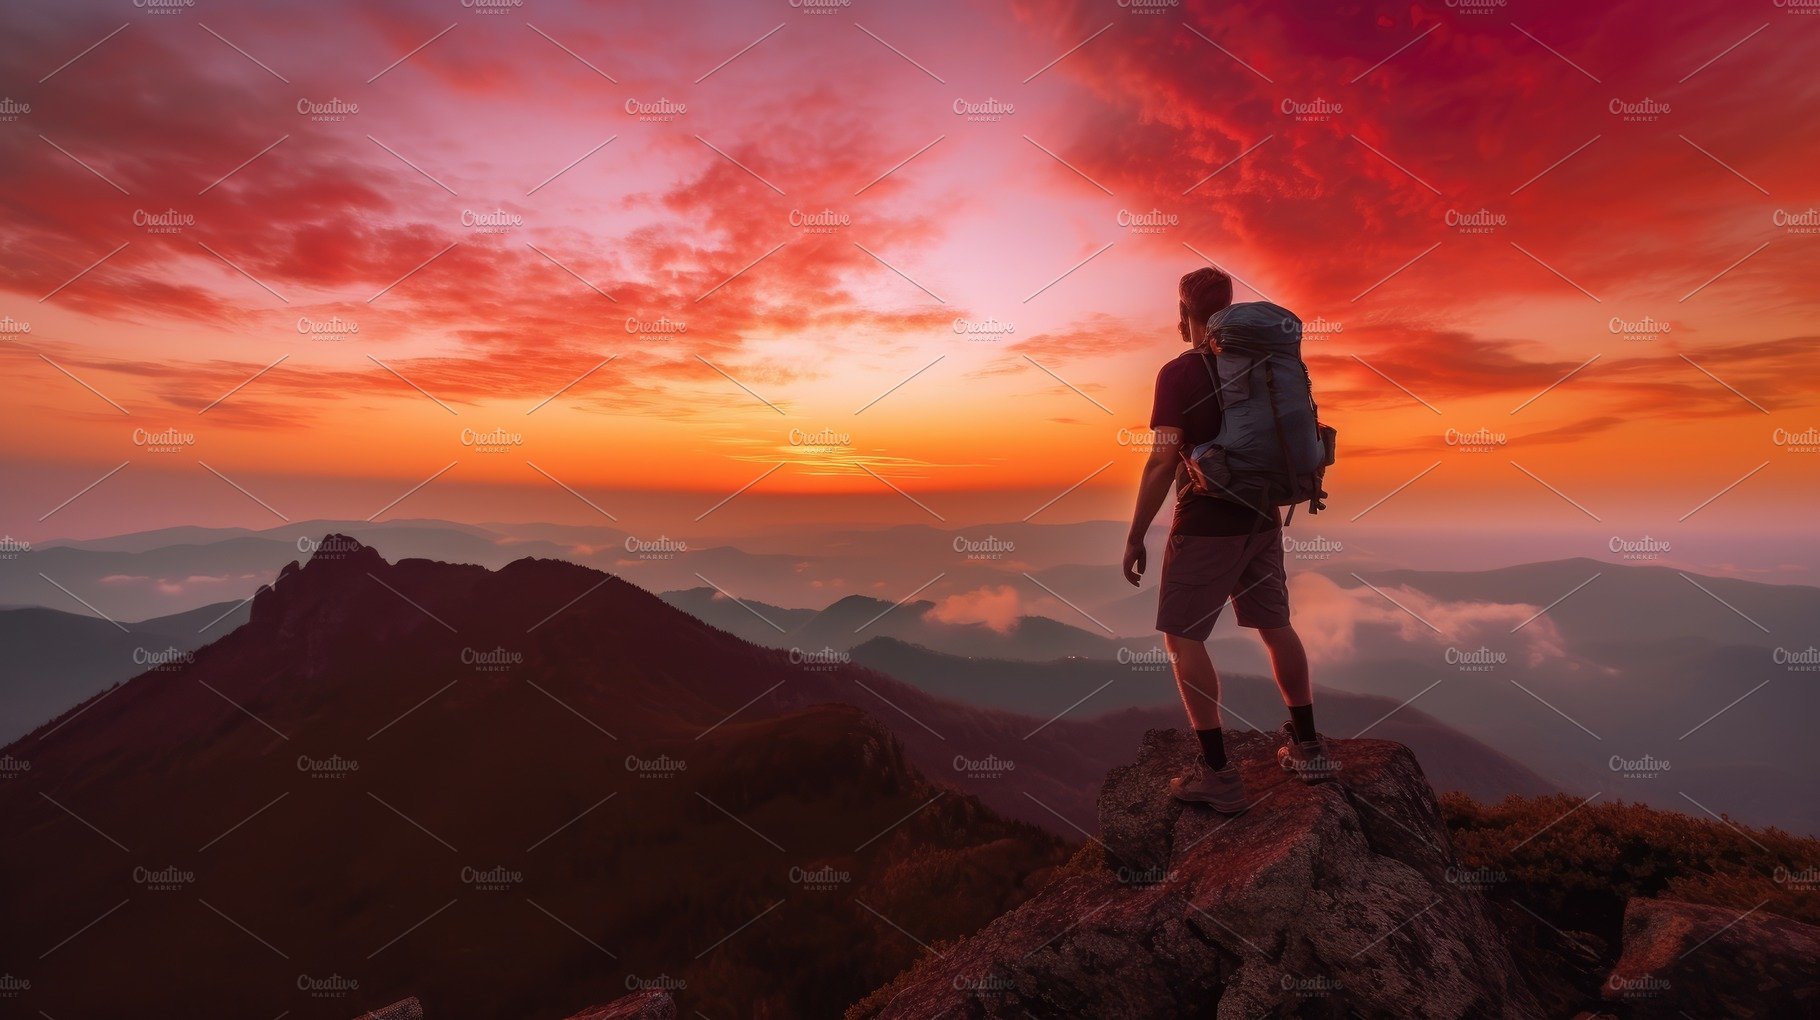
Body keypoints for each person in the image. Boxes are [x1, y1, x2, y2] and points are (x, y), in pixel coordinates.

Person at [1121, 267, 1336, 812]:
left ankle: (1217, 773)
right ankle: (1308, 747)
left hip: (1208, 521)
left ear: (1183, 312)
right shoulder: (1266, 365)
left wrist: (1135, 535)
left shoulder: (1179, 373)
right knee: (1275, 626)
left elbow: (1163, 459)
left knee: (1183, 638)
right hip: (1263, 517)